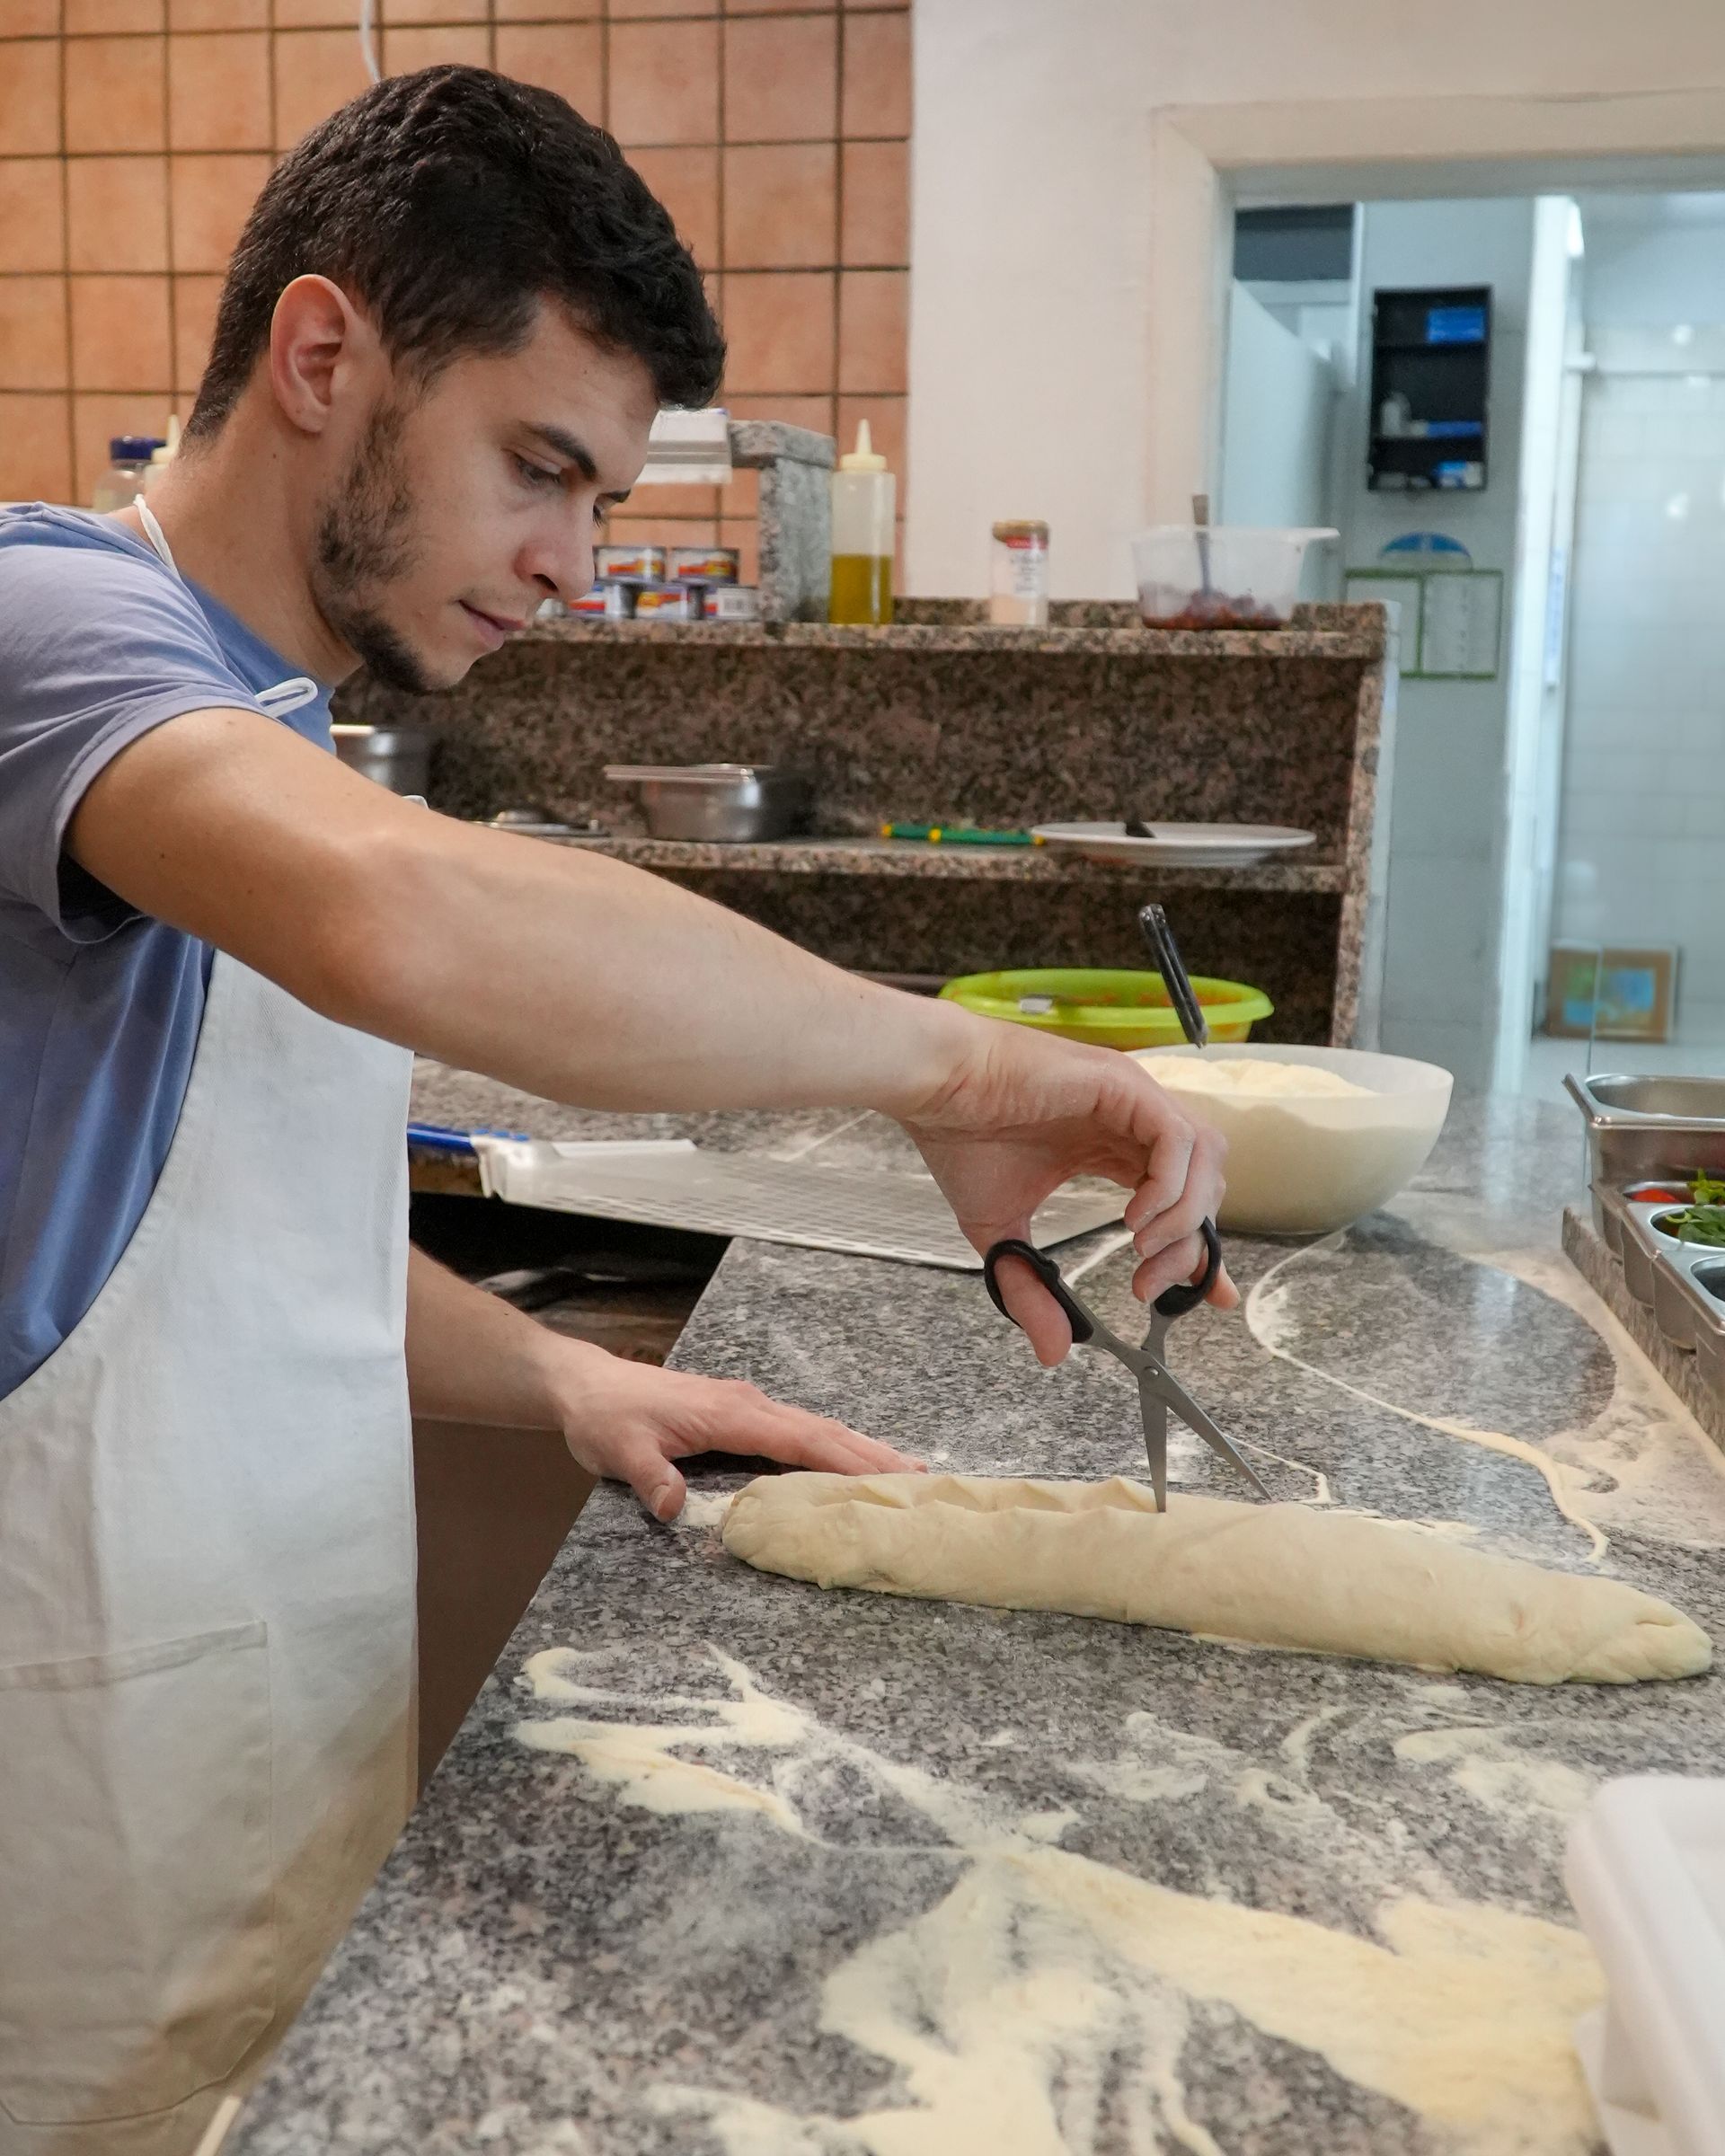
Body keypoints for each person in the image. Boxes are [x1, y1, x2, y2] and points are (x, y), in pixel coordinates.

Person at [0, 65, 1230, 2155]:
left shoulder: (274, 715)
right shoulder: (50, 630)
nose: (571, 562)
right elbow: (410, 926)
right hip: (70, 1787)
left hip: (272, 1728)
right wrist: (967, 1061)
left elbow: (207, 1244)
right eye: (538, 469)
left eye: (604, 503)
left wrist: (558, 1380)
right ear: (324, 357)